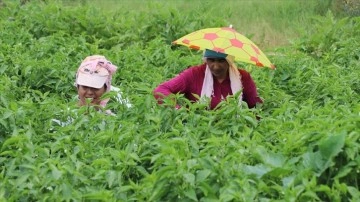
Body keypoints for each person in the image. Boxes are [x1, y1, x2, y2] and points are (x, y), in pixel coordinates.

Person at [153, 49, 263, 110]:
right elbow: (161, 90)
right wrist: (179, 110)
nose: (215, 66)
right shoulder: (194, 74)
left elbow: (255, 106)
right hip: (198, 129)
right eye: (211, 60)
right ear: (206, 60)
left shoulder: (243, 77)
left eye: (221, 61)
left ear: (229, 61)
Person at [52, 55, 131, 127]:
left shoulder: (112, 121)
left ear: (105, 90)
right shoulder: (64, 117)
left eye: (95, 88)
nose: (89, 92)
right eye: (85, 87)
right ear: (77, 87)